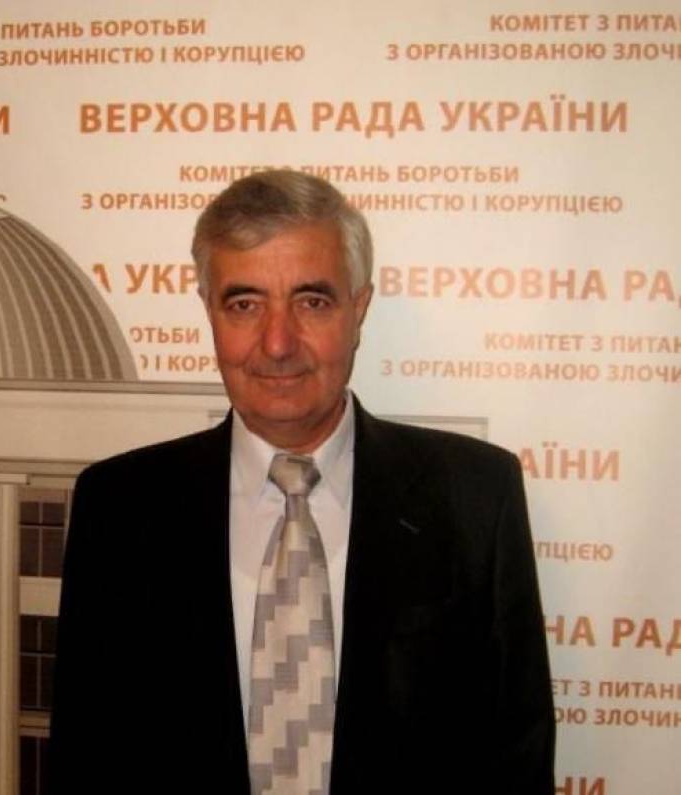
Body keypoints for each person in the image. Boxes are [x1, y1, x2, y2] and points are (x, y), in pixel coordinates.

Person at [47, 170, 555, 794]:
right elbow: (86, 758)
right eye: (245, 304)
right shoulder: (120, 508)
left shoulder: (476, 497)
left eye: (311, 301)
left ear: (358, 309)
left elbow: (516, 759)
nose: (278, 342)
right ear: (209, 312)